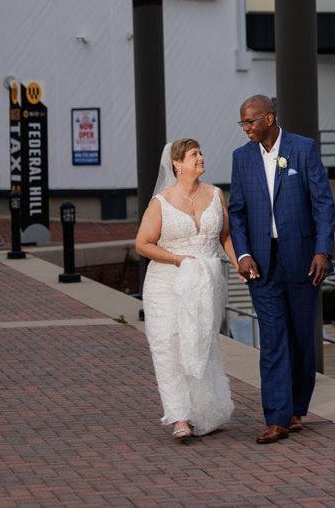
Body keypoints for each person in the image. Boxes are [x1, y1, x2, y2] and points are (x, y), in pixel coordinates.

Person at [228, 95, 335, 444]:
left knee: (302, 339)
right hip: (261, 265)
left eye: (250, 121)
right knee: (273, 339)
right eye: (242, 122)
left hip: (303, 260)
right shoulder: (241, 158)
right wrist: (243, 254)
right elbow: (237, 213)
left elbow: (323, 205)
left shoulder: (302, 150)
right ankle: (276, 418)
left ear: (270, 118)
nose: (245, 128)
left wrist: (322, 250)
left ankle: (295, 409)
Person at [135, 138, 236, 442]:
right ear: (177, 164)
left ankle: (204, 410)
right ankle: (179, 416)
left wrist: (241, 265)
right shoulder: (161, 202)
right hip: (165, 283)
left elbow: (226, 237)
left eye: (201, 153)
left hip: (205, 283)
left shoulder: (216, 194)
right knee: (169, 346)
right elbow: (142, 244)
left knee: (201, 345)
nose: (201, 157)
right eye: (194, 154)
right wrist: (177, 259)